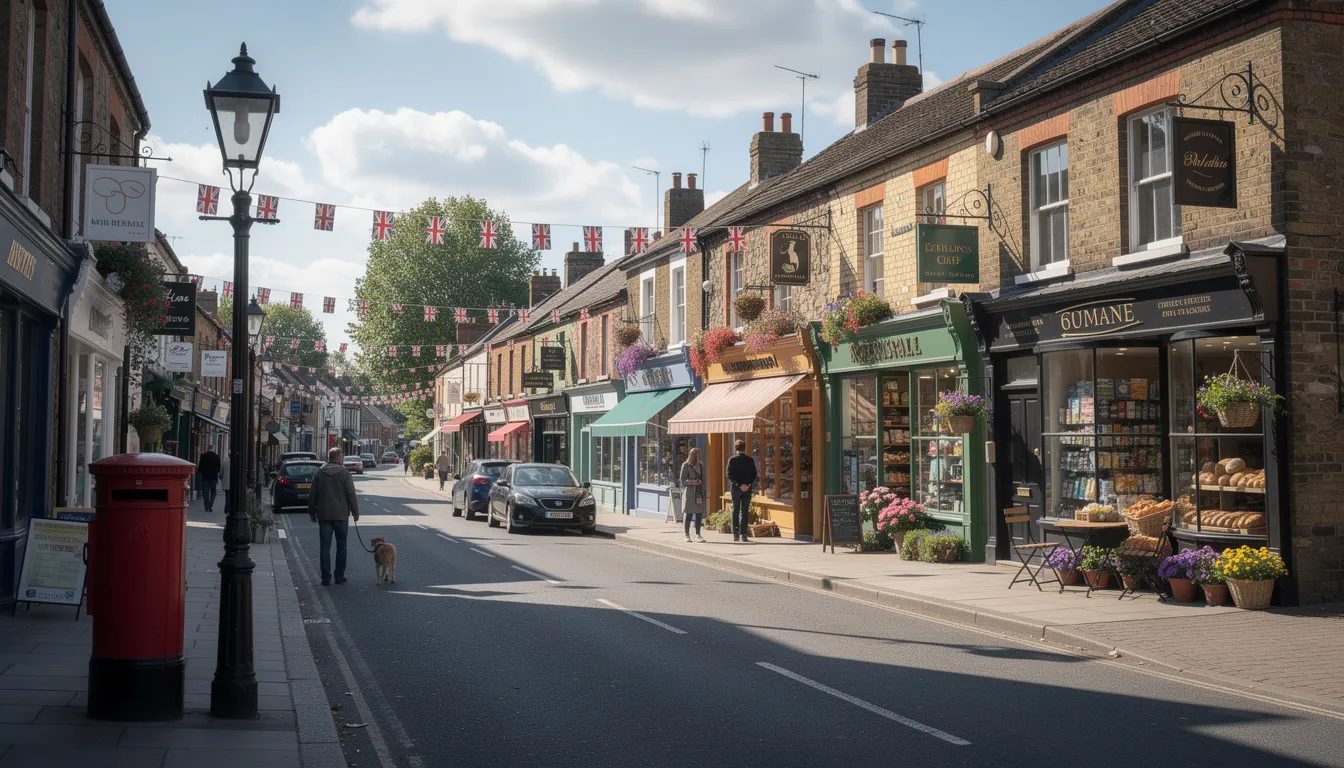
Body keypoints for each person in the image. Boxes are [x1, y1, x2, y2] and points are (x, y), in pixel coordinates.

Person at [309, 447, 360, 586]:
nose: (343, 459)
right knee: (341, 546)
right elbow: (351, 494)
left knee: (325, 547)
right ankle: (339, 576)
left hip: (324, 515)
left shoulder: (319, 473)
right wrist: (355, 512)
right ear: (339, 458)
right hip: (341, 515)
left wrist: (312, 512)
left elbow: (312, 494)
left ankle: (325, 578)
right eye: (342, 456)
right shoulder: (345, 473)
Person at [726, 439, 758, 543]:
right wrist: (748, 484)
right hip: (747, 489)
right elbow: (754, 474)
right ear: (745, 448)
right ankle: (744, 534)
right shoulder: (750, 460)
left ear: (736, 448)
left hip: (736, 488)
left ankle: (736, 534)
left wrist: (739, 484)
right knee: (744, 512)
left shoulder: (732, 459)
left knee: (735, 510)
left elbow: (729, 474)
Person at [679, 447, 706, 543]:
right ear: (692, 455)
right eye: (696, 454)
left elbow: (704, 479)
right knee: (689, 514)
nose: (698, 456)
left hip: (699, 493)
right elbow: (682, 481)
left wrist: (700, 482)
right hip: (690, 493)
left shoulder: (701, 465)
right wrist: (692, 482)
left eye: (699, 455)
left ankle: (698, 534)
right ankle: (686, 535)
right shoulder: (686, 465)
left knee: (699, 514)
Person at [198, 446, 221, 513]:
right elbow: (218, 468)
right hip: (213, 478)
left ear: (207, 449)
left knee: (206, 493)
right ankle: (210, 506)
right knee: (213, 492)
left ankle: (206, 507)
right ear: (213, 449)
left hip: (205, 478)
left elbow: (200, 468)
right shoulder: (217, 457)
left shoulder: (203, 456)